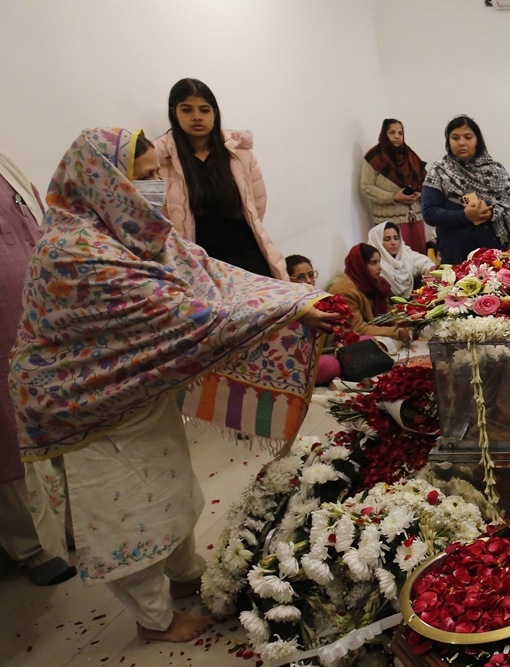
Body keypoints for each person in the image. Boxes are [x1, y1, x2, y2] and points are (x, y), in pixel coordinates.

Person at [10, 128, 338, 642]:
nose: (153, 188)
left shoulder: (130, 229)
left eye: (155, 176)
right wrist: (287, 310)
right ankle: (154, 621)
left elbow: (210, 273)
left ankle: (184, 575)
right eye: (141, 177)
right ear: (105, 180)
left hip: (136, 392)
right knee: (127, 513)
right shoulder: (73, 251)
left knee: (170, 488)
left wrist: (292, 299)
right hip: (83, 406)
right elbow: (183, 314)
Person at [0, 148, 76, 587]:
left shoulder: (6, 163)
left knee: (51, 416)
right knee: (7, 432)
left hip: (38, 319)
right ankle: (30, 546)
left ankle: (65, 525)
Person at [153, 78, 285, 278]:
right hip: (199, 263)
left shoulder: (240, 154)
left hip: (248, 254)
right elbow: (159, 219)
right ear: (174, 113)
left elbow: (257, 205)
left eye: (204, 110)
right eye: (187, 110)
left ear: (215, 113)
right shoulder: (161, 162)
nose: (197, 117)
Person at [422, 116, 510, 265]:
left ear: (478, 140)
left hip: (493, 255)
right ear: (448, 141)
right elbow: (429, 213)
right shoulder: (440, 171)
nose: (461, 143)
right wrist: (465, 215)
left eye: (468, 137)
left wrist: (492, 212)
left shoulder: (495, 171)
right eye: (455, 138)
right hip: (455, 254)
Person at [361, 119, 427, 252]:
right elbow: (366, 187)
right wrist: (393, 197)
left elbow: (426, 183)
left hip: (415, 218)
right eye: (392, 132)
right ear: (384, 134)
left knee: (419, 258)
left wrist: (419, 194)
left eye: (400, 133)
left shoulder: (410, 156)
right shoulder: (374, 157)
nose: (397, 136)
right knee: (394, 259)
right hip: (389, 224)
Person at [327, 243, 410, 340]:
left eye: (379, 261)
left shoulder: (374, 282)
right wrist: (396, 332)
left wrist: (401, 322)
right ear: (360, 265)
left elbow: (387, 310)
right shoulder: (346, 291)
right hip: (352, 338)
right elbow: (358, 329)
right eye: (373, 263)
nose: (380, 267)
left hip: (373, 329)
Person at [367, 220, 436, 298]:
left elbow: (425, 263)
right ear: (377, 242)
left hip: (411, 300)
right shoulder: (374, 264)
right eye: (387, 239)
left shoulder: (405, 254)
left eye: (396, 238)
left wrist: (431, 271)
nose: (393, 243)